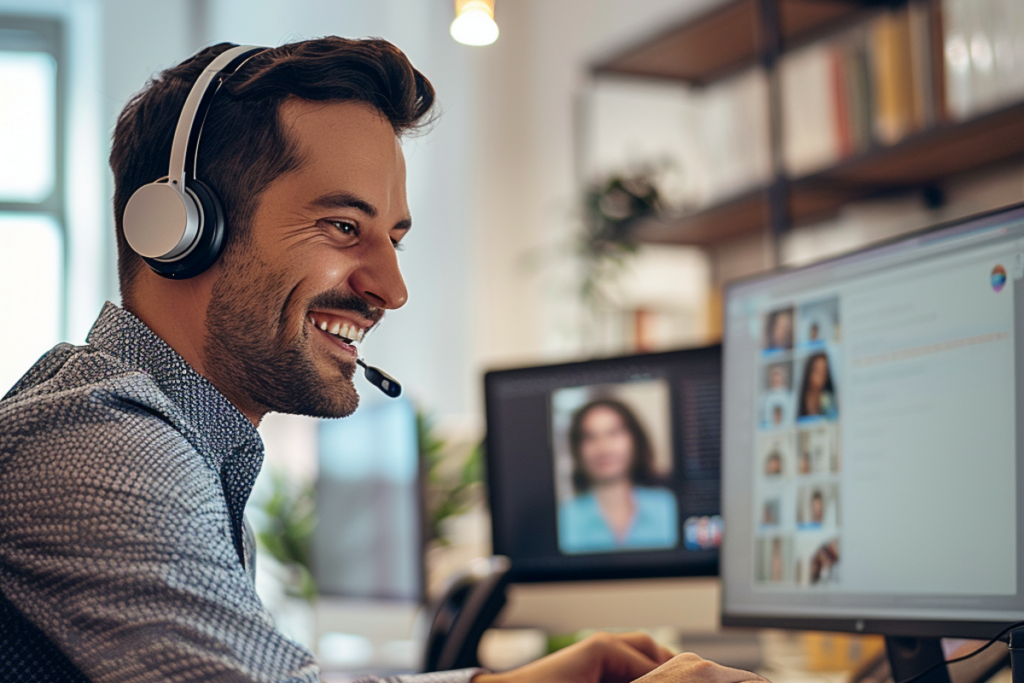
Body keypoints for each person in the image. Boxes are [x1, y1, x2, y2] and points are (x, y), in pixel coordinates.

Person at [0, 39, 767, 683]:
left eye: (392, 238)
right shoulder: (102, 448)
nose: (391, 289)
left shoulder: (177, 444)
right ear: (180, 228)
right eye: (342, 225)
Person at [558, 399, 678, 554]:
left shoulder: (668, 506)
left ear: (635, 440)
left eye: (613, 433)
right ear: (577, 449)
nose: (603, 448)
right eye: (590, 437)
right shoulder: (564, 518)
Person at [797, 352, 838, 419]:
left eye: (824, 371)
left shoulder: (829, 399)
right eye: (817, 370)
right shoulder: (799, 398)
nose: (820, 376)